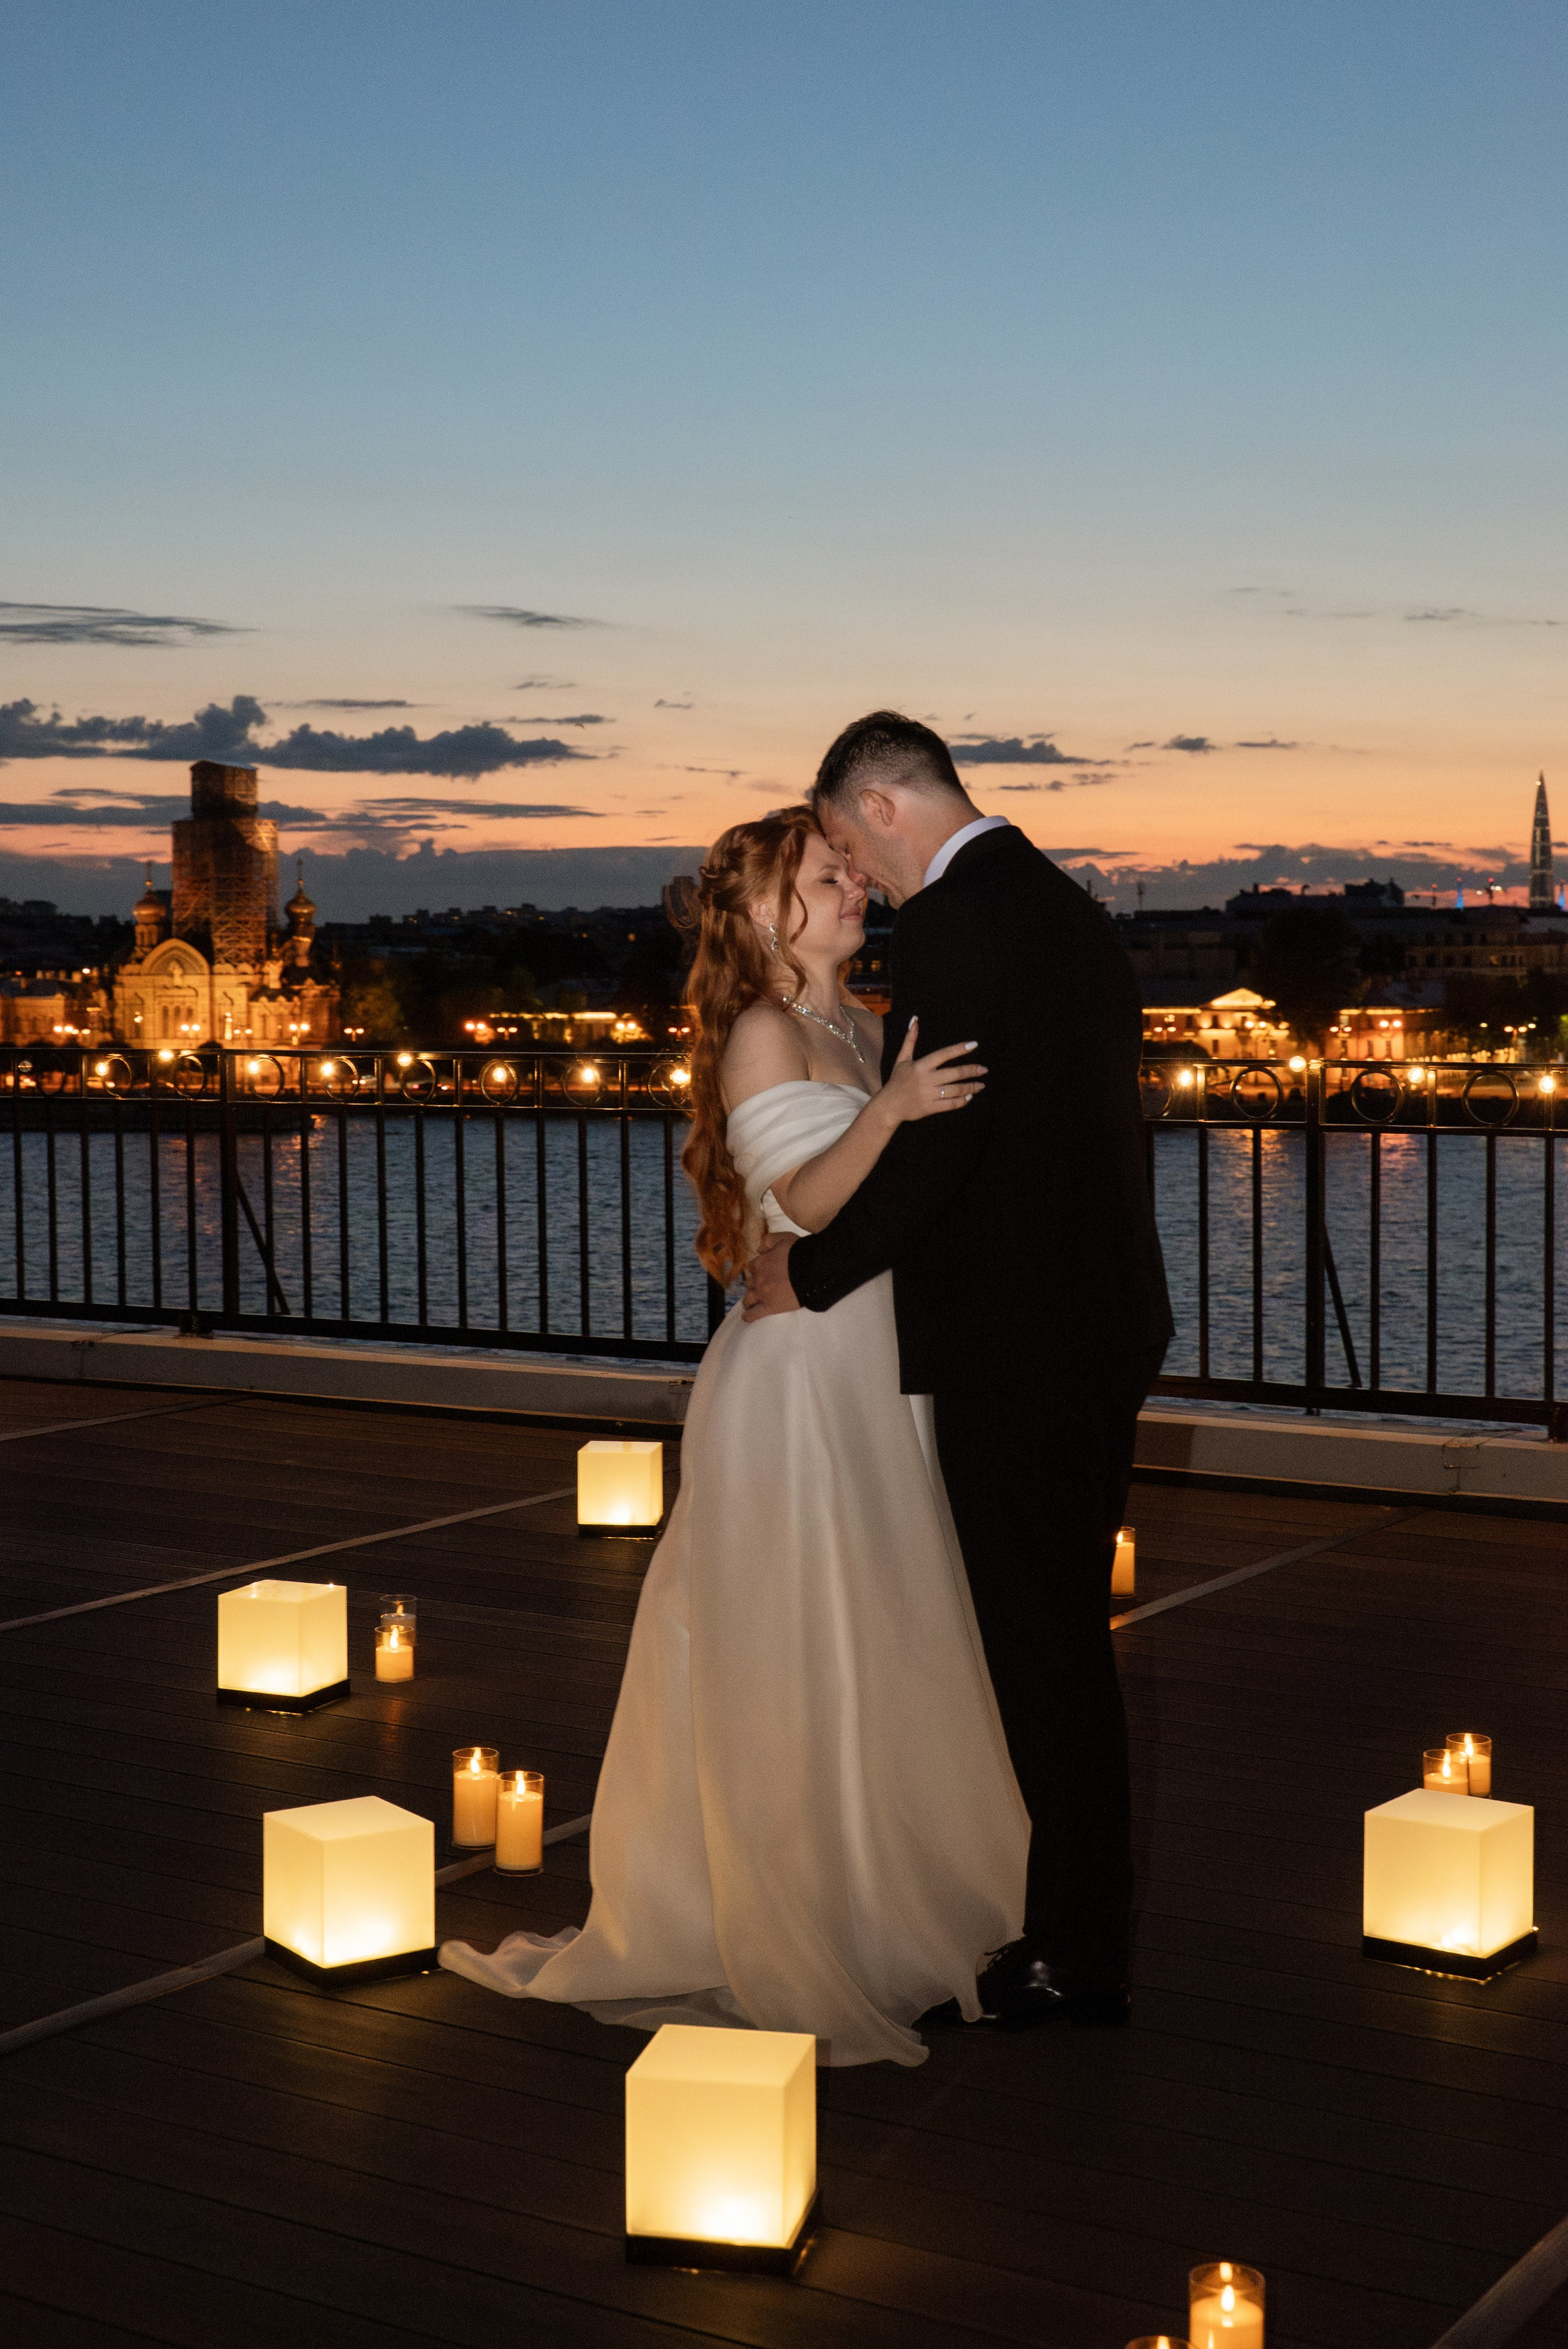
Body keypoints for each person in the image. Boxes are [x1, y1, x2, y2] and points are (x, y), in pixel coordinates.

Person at [439, 804, 1030, 2067]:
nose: (854, 887)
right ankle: (800, 1916)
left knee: (877, 1626)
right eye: (826, 876)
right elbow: (808, 1202)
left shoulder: (861, 1023)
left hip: (874, 1360)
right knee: (797, 1634)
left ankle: (885, 1897)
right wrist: (894, 1111)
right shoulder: (767, 1030)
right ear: (766, 913)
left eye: (848, 870)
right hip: (802, 1375)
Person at [744, 712, 1172, 2028]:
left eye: (841, 847)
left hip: (1015, 1343)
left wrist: (801, 1278)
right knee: (1061, 1646)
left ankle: (1072, 1953)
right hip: (1095, 1325)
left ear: (877, 805)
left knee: (1042, 1654)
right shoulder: (1067, 907)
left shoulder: (949, 924)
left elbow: (941, 1156)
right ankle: (1068, 1926)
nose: (853, 883)